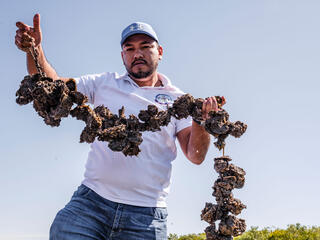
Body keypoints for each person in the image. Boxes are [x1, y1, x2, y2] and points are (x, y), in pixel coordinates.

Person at [15, 14, 224, 240]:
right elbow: (51, 86)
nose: (138, 54)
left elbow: (195, 155)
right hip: (90, 206)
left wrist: (201, 121)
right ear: (123, 55)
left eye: (145, 46)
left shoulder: (179, 101)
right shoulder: (104, 83)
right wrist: (34, 50)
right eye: (130, 48)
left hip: (145, 217)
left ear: (160, 52)